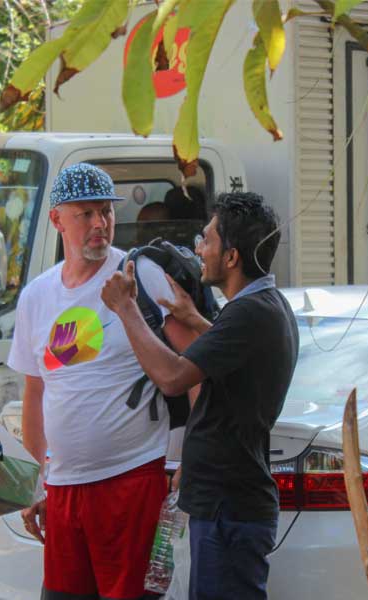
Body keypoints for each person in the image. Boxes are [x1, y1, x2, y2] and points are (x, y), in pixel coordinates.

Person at [9, 163, 196, 600]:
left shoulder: (139, 276)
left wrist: (191, 457)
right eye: (86, 214)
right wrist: (37, 481)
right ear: (57, 219)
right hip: (64, 488)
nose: (100, 223)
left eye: (106, 212)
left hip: (133, 480)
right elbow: (36, 392)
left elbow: (194, 367)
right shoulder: (37, 296)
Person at [101, 192, 299, 600]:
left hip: (229, 507)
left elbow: (173, 378)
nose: (198, 250)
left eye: (206, 240)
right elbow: (233, 358)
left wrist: (127, 309)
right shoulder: (265, 305)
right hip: (228, 503)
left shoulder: (250, 312)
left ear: (232, 257)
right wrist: (193, 319)